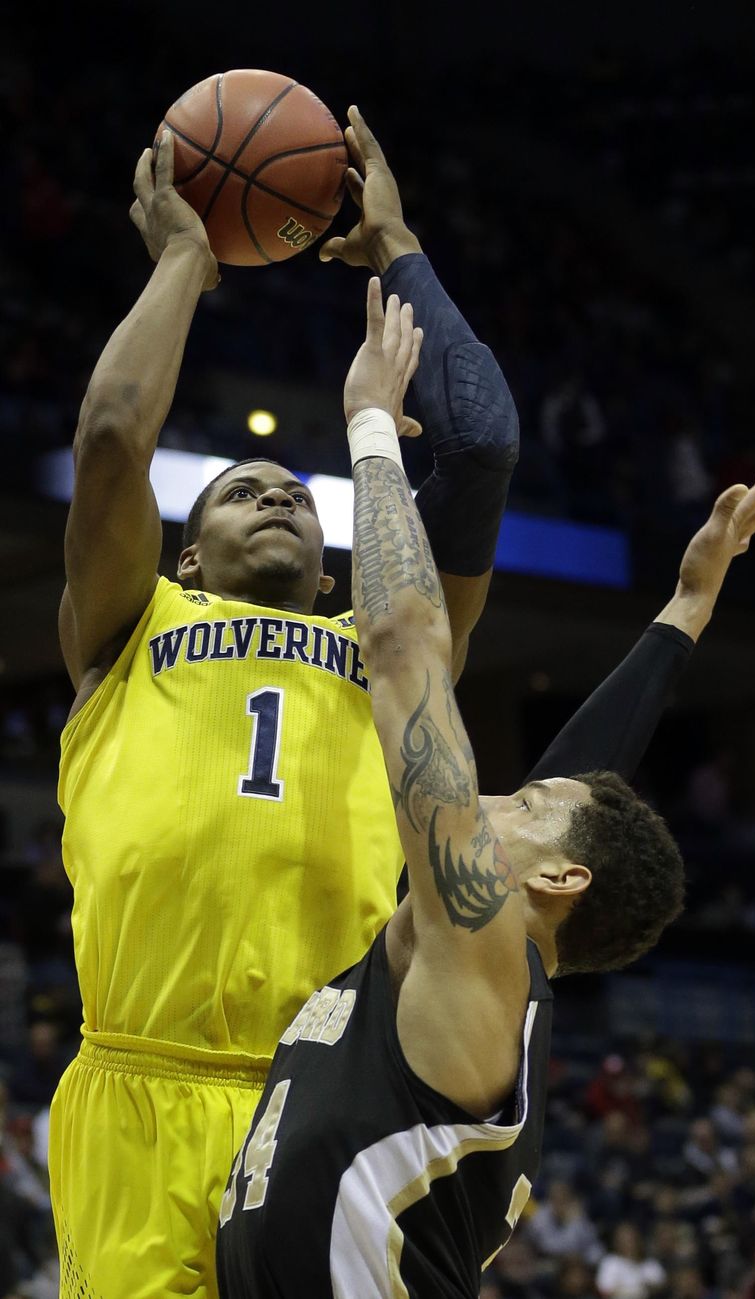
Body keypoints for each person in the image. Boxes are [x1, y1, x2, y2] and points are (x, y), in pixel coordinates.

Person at [215, 278, 755, 1296]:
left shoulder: (477, 946)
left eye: (527, 807)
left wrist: (366, 427)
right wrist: (683, 612)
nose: (500, 794)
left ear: (560, 881)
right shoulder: (473, 959)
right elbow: (587, 776)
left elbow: (400, 648)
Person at [50, 112, 525, 1299]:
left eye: (295, 498)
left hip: (327, 1091)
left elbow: (480, 450)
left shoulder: (390, 645)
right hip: (139, 1086)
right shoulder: (128, 626)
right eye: (237, 493)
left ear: (330, 567)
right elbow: (112, 434)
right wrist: (182, 262)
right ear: (188, 560)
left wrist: (401, 245)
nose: (274, 495)